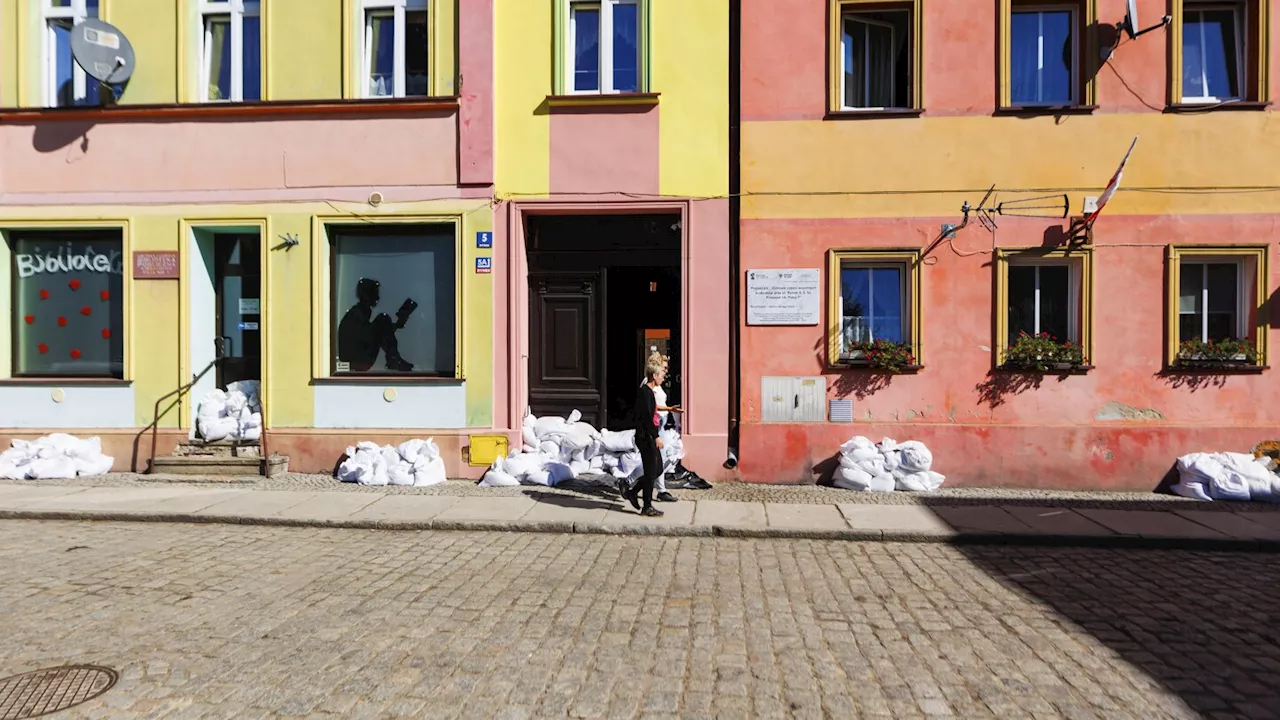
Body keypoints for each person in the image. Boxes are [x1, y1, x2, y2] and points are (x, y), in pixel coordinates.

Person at [336, 278, 414, 372]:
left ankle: (393, 358)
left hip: (357, 359)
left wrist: (395, 325)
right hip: (355, 361)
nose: (377, 298)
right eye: (375, 294)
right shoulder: (357, 314)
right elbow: (367, 336)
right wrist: (388, 326)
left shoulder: (360, 312)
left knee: (383, 320)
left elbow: (373, 334)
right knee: (383, 318)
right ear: (366, 295)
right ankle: (393, 359)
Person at [621, 359, 666, 517]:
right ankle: (647, 506)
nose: (663, 377)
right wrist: (656, 436)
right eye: (661, 374)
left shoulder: (649, 393)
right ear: (654, 375)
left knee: (657, 468)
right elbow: (647, 418)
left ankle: (633, 492)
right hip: (646, 437)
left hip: (647, 436)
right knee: (651, 471)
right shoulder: (645, 392)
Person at [645, 351, 681, 502]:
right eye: (664, 368)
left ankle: (661, 490)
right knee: (655, 460)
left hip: (660, 424)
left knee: (658, 459)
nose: (666, 371)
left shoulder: (656, 385)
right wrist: (669, 409)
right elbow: (651, 407)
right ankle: (629, 481)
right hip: (656, 426)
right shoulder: (649, 386)